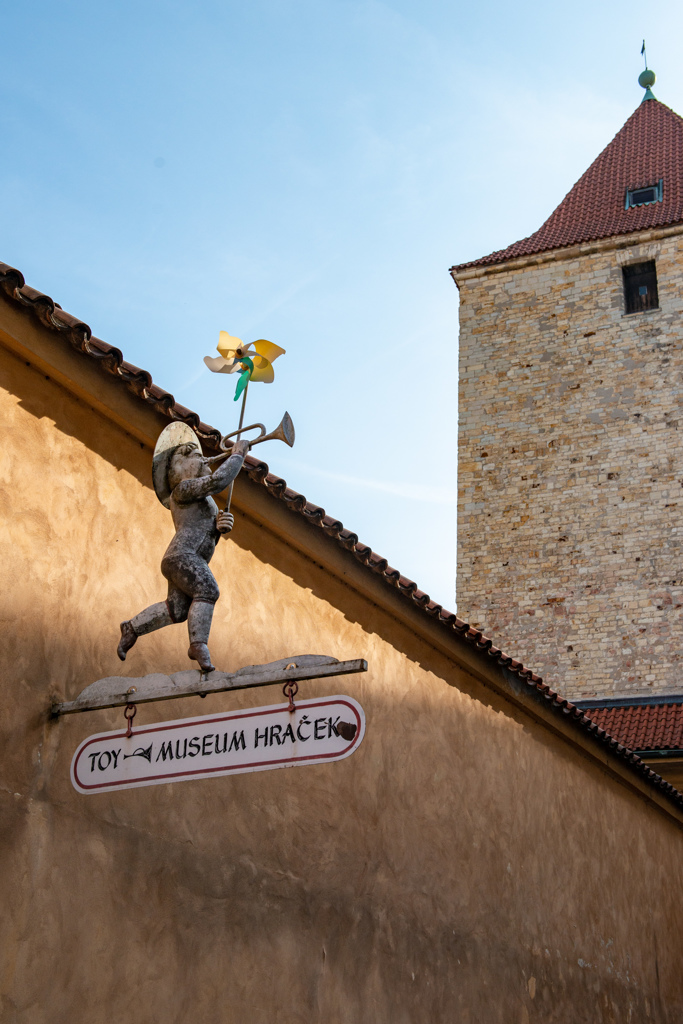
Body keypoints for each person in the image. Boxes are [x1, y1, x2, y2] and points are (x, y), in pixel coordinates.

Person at [117, 437, 250, 673]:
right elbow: (218, 481)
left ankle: (133, 627)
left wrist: (219, 527)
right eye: (197, 456)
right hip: (183, 555)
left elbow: (204, 533)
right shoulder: (183, 489)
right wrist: (237, 455)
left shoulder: (201, 497)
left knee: (177, 610)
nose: (205, 458)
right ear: (183, 465)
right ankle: (198, 644)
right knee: (208, 590)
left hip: (184, 558)